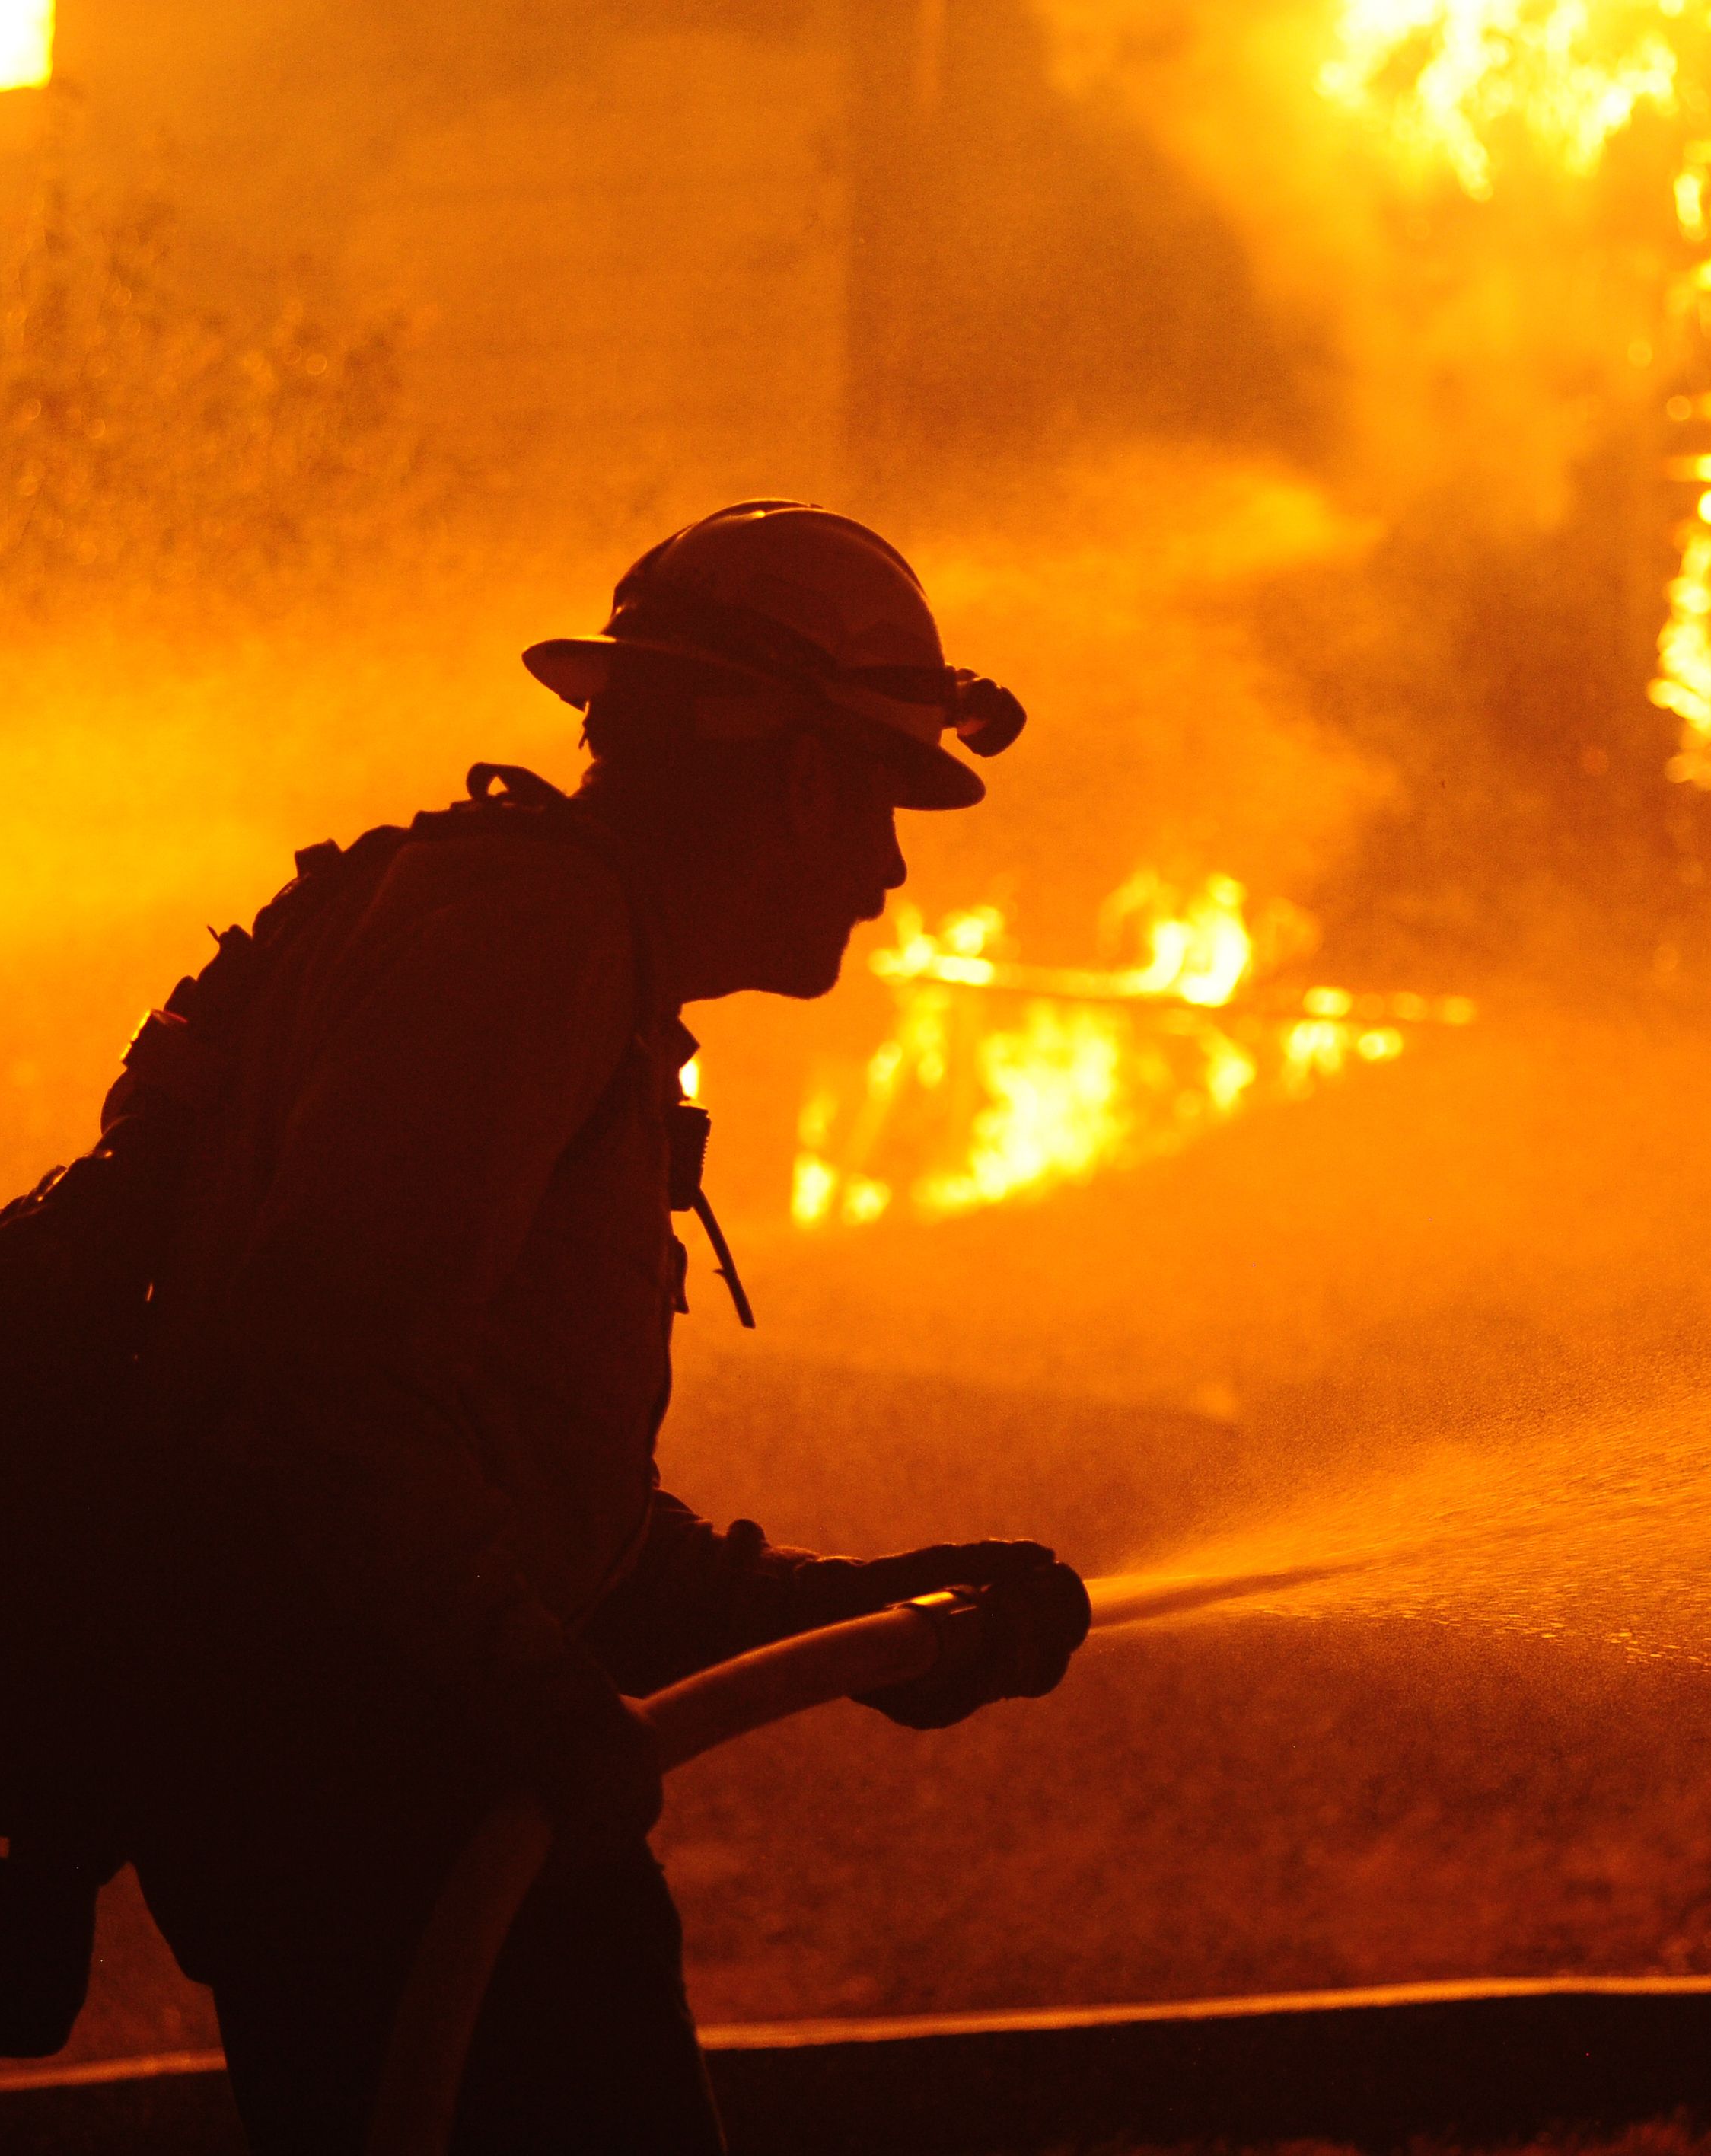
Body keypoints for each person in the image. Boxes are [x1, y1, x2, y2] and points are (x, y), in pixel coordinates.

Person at [113, 502, 1088, 2154]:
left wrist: (846, 1622)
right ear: (794, 780)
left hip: (418, 1784)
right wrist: (546, 1712)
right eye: (884, 796)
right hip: (384, 1799)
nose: (893, 867)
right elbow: (326, 1384)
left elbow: (520, 1502)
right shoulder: (526, 948)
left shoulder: (558, 952)